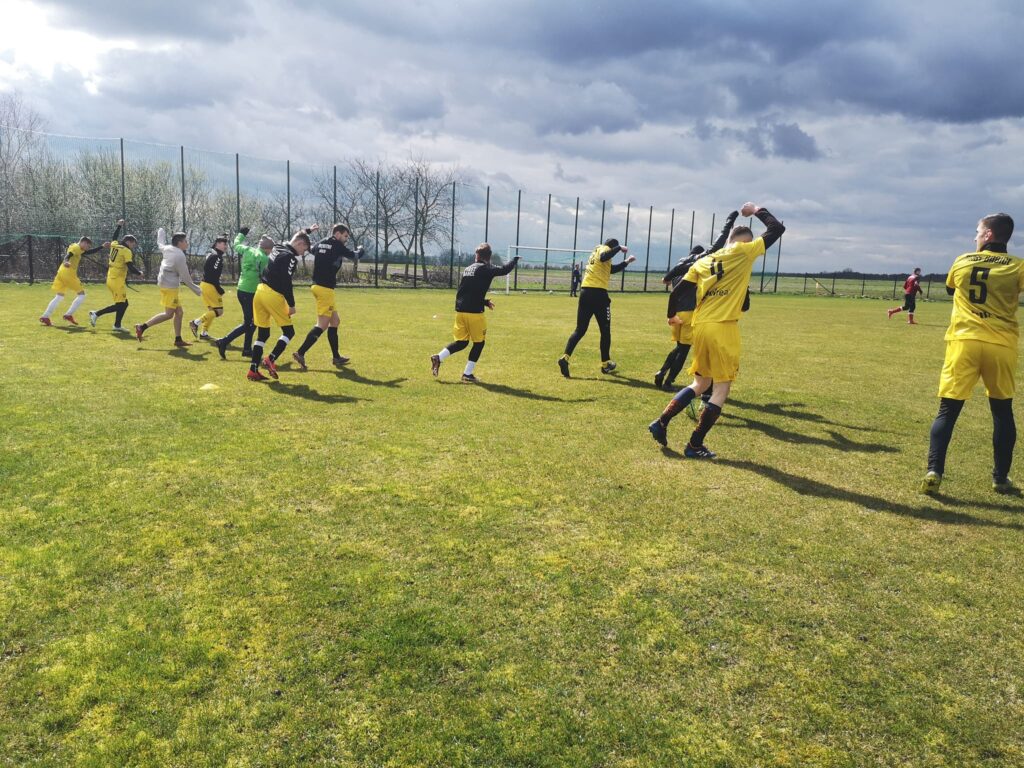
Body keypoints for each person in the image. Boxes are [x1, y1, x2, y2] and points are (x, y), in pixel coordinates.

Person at [649, 202, 785, 458]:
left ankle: (661, 422)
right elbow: (776, 228)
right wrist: (756, 209)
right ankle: (694, 444)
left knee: (700, 383)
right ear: (744, 242)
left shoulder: (705, 260)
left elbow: (678, 292)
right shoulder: (745, 252)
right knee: (721, 389)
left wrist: (671, 316)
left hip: (700, 327)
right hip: (723, 328)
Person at [922, 213, 1023, 495]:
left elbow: (950, 287)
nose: (975, 236)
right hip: (1001, 345)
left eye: (978, 231)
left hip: (963, 342)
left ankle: (934, 471)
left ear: (989, 235)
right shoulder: (1018, 265)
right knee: (1002, 412)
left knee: (947, 410)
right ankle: (1000, 478)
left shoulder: (963, 259)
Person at [654, 211, 739, 391]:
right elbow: (717, 243)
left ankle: (661, 372)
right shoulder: (701, 262)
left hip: (675, 312)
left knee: (679, 347)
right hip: (690, 311)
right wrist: (729, 222)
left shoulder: (680, 264)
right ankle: (669, 382)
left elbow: (665, 280)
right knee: (684, 351)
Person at [430, 244, 519, 383]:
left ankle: (438, 357)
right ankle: (467, 374)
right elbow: (504, 270)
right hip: (474, 314)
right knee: (479, 343)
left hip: (460, 311)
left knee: (461, 342)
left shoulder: (468, 269)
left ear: (476, 255)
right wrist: (514, 260)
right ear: (488, 257)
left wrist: (484, 302)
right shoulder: (485, 268)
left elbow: (467, 291)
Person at [557, 238, 636, 377]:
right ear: (612, 246)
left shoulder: (595, 252)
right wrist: (619, 248)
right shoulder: (604, 249)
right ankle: (605, 364)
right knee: (605, 331)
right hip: (599, 295)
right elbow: (605, 256)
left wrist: (626, 262)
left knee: (580, 329)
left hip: (585, 293)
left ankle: (565, 358)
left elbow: (610, 269)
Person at [292, 223, 362, 371]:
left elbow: (309, 247)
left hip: (317, 286)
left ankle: (336, 357)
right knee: (322, 325)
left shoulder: (322, 243)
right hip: (325, 289)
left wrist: (309, 231)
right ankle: (300, 352)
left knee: (335, 321)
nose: (346, 239)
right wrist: (361, 249)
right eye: (345, 236)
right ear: (337, 234)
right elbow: (355, 256)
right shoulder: (337, 245)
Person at [247, 228, 314, 381]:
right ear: (298, 243)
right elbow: (286, 282)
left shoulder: (278, 246)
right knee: (289, 332)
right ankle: (270, 359)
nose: (303, 253)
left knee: (263, 334)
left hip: (260, 291)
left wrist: (308, 231)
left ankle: (253, 370)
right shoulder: (289, 257)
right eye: (304, 248)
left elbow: (297, 235)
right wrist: (291, 304)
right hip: (273, 295)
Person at [135, 228, 202, 346]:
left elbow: (160, 244)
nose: (187, 243)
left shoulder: (168, 248)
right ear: (180, 243)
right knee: (169, 314)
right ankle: (142, 327)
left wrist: (160, 232)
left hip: (164, 284)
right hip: (170, 287)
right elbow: (186, 277)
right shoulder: (179, 255)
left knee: (179, 313)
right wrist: (198, 290)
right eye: (185, 241)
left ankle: (178, 340)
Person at [216, 228, 273, 360]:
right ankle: (223, 342)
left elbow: (236, 245)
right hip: (251, 292)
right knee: (249, 323)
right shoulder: (264, 258)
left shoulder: (247, 250)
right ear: (267, 248)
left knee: (252, 322)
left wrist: (241, 234)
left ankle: (247, 349)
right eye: (271, 249)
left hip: (241, 289)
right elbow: (266, 276)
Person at [39, 231, 112, 326]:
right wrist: (65, 261)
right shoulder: (76, 248)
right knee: (82, 295)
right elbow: (68, 255)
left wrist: (102, 246)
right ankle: (68, 315)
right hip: (68, 273)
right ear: (84, 243)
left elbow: (88, 252)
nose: (88, 248)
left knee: (59, 296)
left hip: (61, 272)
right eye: (88, 246)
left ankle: (45, 316)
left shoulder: (77, 247)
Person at [89, 221, 142, 331]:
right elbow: (130, 266)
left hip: (111, 278)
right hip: (116, 280)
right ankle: (96, 313)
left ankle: (117, 325)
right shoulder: (126, 251)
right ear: (128, 242)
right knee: (120, 305)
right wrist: (139, 273)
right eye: (133, 244)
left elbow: (114, 237)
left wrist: (118, 226)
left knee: (124, 303)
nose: (133, 247)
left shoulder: (115, 244)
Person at [189, 234, 229, 340]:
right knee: (219, 311)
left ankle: (204, 333)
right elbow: (212, 274)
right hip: (210, 286)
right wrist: (218, 288)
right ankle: (196, 322)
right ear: (217, 244)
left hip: (205, 285)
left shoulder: (214, 254)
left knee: (212, 310)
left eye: (227, 244)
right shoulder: (217, 257)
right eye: (224, 243)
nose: (226, 246)